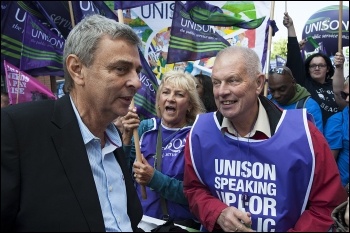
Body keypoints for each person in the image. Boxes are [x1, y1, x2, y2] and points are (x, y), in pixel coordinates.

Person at [1, 14, 144, 232]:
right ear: (77, 69)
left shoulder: (114, 142)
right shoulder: (18, 129)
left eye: (137, 71)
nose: (136, 82)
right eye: (121, 69)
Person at [183, 46, 347, 232]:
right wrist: (217, 213)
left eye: (233, 80)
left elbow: (328, 204)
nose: (222, 91)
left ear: (259, 83)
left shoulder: (304, 134)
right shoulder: (199, 133)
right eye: (216, 82)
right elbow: (193, 189)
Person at [122, 70, 205, 229]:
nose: (171, 98)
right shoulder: (144, 129)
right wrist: (126, 138)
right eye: (166, 92)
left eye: (179, 94)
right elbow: (122, 176)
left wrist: (154, 179)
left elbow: (195, 194)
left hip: (178, 227)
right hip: (140, 223)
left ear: (189, 105)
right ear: (159, 101)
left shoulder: (196, 136)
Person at [283, 12, 347, 127]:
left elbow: (340, 93)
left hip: (337, 134)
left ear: (328, 68)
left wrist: (339, 66)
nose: (317, 68)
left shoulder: (334, 84)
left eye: (321, 65)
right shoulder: (303, 83)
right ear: (307, 69)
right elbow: (294, 60)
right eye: (313, 66)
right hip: (316, 133)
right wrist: (290, 27)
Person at [268, 65, 323, 132]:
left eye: (282, 89)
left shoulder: (310, 107)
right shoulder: (268, 101)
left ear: (293, 82)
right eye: (272, 91)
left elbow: (316, 139)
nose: (276, 95)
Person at [324, 76, 349, 187]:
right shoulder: (337, 120)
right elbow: (329, 163)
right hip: (344, 188)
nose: (347, 100)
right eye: (345, 95)